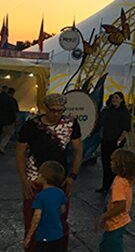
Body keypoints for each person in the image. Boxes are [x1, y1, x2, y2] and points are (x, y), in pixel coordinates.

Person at [17, 93, 82, 252]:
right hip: (35, 179)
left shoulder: (71, 124)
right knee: (32, 218)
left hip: (59, 180)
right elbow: (20, 154)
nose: (57, 114)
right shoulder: (31, 125)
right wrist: (24, 181)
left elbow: (78, 150)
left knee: (59, 220)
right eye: (53, 110)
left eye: (61, 110)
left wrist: (72, 176)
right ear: (45, 108)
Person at [97, 149, 135, 252]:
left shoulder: (118, 183)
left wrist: (105, 216)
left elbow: (121, 205)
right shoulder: (125, 180)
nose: (110, 163)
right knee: (106, 244)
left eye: (113, 161)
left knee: (112, 246)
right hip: (120, 220)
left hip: (115, 221)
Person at [23, 160, 67, 252]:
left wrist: (29, 236)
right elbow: (63, 210)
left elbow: (36, 218)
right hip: (58, 234)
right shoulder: (60, 193)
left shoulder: (40, 197)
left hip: (44, 235)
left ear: (43, 177)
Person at [97, 92, 130, 194]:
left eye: (116, 98)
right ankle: (105, 185)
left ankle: (116, 185)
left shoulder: (124, 112)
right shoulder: (108, 111)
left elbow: (126, 128)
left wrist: (120, 140)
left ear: (121, 99)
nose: (114, 99)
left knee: (116, 164)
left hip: (116, 142)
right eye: (113, 98)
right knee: (105, 163)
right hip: (106, 140)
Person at [0, 85, 18, 154]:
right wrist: (15, 119)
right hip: (8, 121)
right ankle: (1, 146)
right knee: (7, 134)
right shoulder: (11, 100)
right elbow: (14, 111)